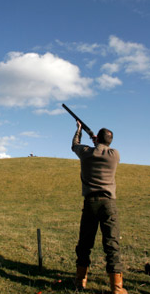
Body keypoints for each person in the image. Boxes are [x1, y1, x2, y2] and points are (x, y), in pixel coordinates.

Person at [72, 121, 128, 294]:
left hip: (90, 203)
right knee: (112, 244)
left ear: (96, 139)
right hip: (108, 204)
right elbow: (104, 147)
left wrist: (79, 130)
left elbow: (75, 145)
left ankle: (80, 281)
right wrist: (98, 141)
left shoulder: (86, 153)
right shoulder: (114, 154)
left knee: (85, 244)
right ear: (110, 141)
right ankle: (117, 288)